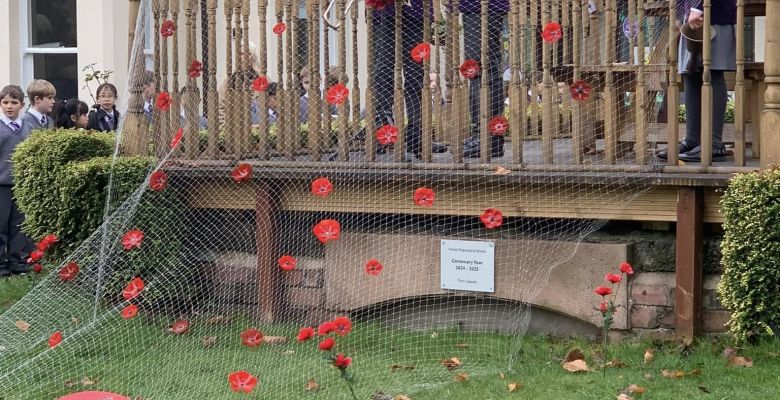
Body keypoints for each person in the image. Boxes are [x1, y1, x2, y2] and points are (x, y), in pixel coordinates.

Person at [659, 0, 735, 161]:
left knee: (713, 72)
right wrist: (680, 15)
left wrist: (697, 7)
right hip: (692, 14)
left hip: (714, 14)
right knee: (690, 73)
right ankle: (692, 140)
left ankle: (714, 144)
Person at [372, 1, 447, 160]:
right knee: (383, 71)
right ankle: (385, 135)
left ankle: (416, 136)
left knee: (416, 76)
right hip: (384, 10)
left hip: (416, 11)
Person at [460, 0, 509, 158]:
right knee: (478, 68)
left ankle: (488, 136)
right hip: (473, 6)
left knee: (482, 66)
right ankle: (483, 134)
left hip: (484, 5)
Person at [0, 85, 33, 276]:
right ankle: (1, 265)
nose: (9, 106)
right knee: (1, 225)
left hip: (21, 184)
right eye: (5, 102)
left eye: (14, 102)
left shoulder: (27, 128)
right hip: (1, 184)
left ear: (22, 104)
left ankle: (17, 261)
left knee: (18, 225)